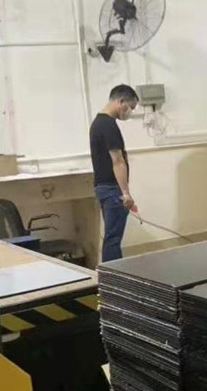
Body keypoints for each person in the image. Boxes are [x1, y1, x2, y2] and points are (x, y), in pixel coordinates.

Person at [89, 84, 138, 262]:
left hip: (103, 188)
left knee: (111, 237)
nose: (130, 112)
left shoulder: (97, 123)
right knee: (113, 240)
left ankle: (110, 273)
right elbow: (117, 161)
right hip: (111, 189)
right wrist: (126, 193)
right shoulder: (108, 125)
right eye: (131, 107)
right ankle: (113, 275)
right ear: (122, 102)